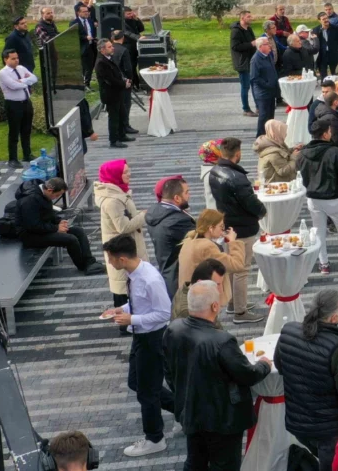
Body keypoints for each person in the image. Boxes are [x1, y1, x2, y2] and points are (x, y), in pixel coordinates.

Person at [163, 279, 271, 471]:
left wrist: (182, 395)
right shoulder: (222, 341)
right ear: (214, 306)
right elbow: (247, 374)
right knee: (225, 465)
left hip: (190, 412)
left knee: (195, 461)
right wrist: (264, 365)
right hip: (222, 421)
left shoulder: (173, 329)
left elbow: (168, 371)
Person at [99, 235, 176, 458]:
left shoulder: (150, 278)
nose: (110, 263)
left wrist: (131, 319)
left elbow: (163, 312)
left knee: (147, 392)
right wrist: (119, 309)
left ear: (122, 259)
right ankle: (182, 409)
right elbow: (140, 303)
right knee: (137, 383)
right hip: (141, 337)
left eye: (111, 259)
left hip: (152, 338)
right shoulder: (135, 274)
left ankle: (155, 438)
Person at [275, 289, 338, 471]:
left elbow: (280, 365)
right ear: (333, 319)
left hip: (297, 422)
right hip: (329, 432)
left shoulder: (288, 331)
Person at [208, 137, 267, 324]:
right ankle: (241, 312)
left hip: (227, 226)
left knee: (232, 267)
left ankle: (234, 303)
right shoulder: (238, 178)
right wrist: (262, 211)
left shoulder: (214, 171)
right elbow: (251, 202)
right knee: (241, 269)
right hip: (243, 228)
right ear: (238, 153)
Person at [300, 118, 338, 275]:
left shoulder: (303, 152)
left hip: (313, 198)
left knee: (319, 231)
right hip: (334, 197)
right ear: (326, 134)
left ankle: (324, 264)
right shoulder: (335, 152)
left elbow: (301, 173)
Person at [94, 160, 149, 317]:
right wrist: (143, 215)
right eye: (125, 172)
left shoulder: (118, 193)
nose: (129, 174)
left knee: (128, 285)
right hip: (121, 249)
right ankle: (124, 322)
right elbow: (123, 227)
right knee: (124, 288)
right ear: (115, 175)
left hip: (124, 247)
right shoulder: (112, 200)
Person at [17, 178, 104, 274]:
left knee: (78, 231)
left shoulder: (44, 194)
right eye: (57, 195)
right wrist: (56, 228)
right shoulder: (29, 201)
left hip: (43, 228)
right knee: (70, 239)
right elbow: (33, 226)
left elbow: (47, 214)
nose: (56, 197)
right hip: (30, 235)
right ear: (50, 190)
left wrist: (59, 221)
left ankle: (90, 262)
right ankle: (83, 266)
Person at [176, 209, 247, 311]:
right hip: (204, 301)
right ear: (210, 228)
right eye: (221, 226)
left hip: (190, 296)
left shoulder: (189, 241)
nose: (223, 230)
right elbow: (237, 265)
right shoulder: (207, 247)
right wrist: (233, 242)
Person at [145, 176, 195, 298]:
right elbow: (201, 242)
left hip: (167, 272)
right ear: (177, 198)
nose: (190, 195)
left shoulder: (155, 211)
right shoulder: (178, 221)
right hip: (180, 277)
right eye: (186, 192)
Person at [0, 49, 38, 168]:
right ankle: (13, 158)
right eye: (13, 58)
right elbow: (13, 86)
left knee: (26, 129)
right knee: (14, 132)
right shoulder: (3, 73)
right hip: (13, 104)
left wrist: (22, 80)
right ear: (6, 59)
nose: (16, 61)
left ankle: (27, 153)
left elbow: (34, 78)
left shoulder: (21, 68)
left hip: (26, 102)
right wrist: (26, 82)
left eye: (17, 58)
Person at [94, 40, 131, 149]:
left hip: (117, 92)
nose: (113, 48)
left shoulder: (110, 58)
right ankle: (114, 140)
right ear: (102, 50)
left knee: (122, 114)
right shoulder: (101, 63)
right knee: (114, 118)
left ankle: (122, 135)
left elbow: (117, 73)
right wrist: (124, 84)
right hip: (110, 94)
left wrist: (124, 80)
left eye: (112, 46)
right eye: (109, 47)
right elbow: (110, 79)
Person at [230, 10, 259, 117]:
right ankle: (246, 109)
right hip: (242, 62)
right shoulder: (236, 31)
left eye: (250, 16)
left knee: (255, 85)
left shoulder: (249, 29)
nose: (251, 18)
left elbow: (253, 43)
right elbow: (235, 47)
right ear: (242, 18)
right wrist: (251, 44)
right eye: (248, 17)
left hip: (252, 61)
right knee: (245, 86)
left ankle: (258, 107)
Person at [109, 30, 137, 136]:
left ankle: (120, 126)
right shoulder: (124, 50)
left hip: (113, 82)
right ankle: (125, 126)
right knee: (125, 104)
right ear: (123, 38)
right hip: (124, 81)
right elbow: (128, 68)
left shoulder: (109, 49)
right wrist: (130, 79)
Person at [249, 37, 279, 137]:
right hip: (263, 93)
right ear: (261, 47)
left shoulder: (268, 55)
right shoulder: (255, 59)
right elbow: (254, 78)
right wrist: (267, 84)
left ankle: (269, 135)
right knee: (264, 115)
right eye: (267, 44)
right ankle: (260, 136)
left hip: (271, 91)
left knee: (270, 115)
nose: (270, 45)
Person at [71, 4, 97, 87]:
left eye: (87, 11)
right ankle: (80, 84)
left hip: (91, 47)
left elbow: (93, 32)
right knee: (82, 67)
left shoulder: (90, 20)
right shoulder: (74, 23)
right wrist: (85, 37)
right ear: (78, 13)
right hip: (81, 47)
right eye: (84, 11)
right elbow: (73, 35)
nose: (87, 13)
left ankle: (87, 84)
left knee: (90, 66)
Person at [314, 11, 338, 77]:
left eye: (327, 18)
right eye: (323, 19)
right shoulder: (316, 30)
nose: (326, 20)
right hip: (322, 56)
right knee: (323, 77)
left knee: (335, 75)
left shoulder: (335, 29)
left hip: (333, 55)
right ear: (319, 20)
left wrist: (336, 51)